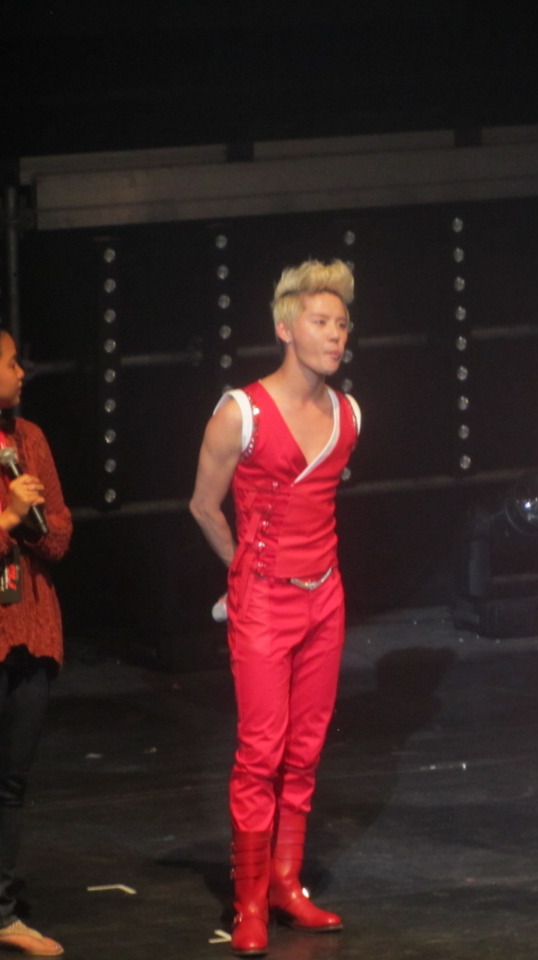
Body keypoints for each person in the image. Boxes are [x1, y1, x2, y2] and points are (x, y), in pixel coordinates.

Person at [190, 260, 360, 955]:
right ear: (285, 328)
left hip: (326, 597)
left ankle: (288, 885)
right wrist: (245, 573)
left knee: (305, 748)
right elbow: (203, 505)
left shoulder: (349, 414)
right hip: (264, 599)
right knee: (261, 751)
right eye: (321, 322)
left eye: (342, 323)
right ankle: (250, 901)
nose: (336, 334)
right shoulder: (242, 411)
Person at [0, 330, 69, 958]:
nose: (22, 371)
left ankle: (2, 911)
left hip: (29, 630)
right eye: (11, 362)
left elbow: (60, 536)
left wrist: (33, 524)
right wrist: (8, 520)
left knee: (12, 781)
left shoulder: (30, 441)